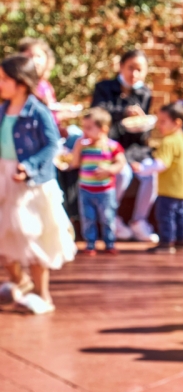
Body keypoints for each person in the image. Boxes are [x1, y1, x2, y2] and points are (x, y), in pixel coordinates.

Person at [0, 54, 76, 315]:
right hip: (5, 179)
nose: (0, 84)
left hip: (31, 184)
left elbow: (52, 144)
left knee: (33, 237)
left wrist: (29, 166)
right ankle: (19, 280)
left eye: (4, 79)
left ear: (21, 83)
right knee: (5, 235)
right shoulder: (3, 110)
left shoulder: (37, 110)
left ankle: (42, 294)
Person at [91, 49, 156, 243]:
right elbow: (98, 115)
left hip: (135, 147)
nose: (134, 74)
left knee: (150, 173)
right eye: (130, 68)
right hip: (110, 146)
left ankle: (139, 221)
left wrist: (143, 124)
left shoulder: (145, 93)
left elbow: (143, 132)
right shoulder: (104, 88)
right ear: (121, 67)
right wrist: (123, 113)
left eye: (139, 69)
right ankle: (111, 219)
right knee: (123, 173)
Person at [67, 108, 125, 255]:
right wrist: (78, 148)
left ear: (103, 129)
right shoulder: (84, 146)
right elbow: (74, 164)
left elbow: (120, 163)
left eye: (89, 128)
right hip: (85, 190)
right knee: (88, 218)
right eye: (83, 128)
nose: (84, 131)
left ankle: (109, 242)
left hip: (105, 190)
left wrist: (110, 169)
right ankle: (90, 243)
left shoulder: (112, 146)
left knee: (107, 217)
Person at [146, 102, 183, 253]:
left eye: (163, 121)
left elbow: (161, 164)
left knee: (165, 215)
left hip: (168, 189)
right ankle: (182, 240)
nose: (159, 125)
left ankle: (166, 242)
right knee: (180, 216)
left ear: (177, 123)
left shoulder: (168, 141)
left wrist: (143, 169)